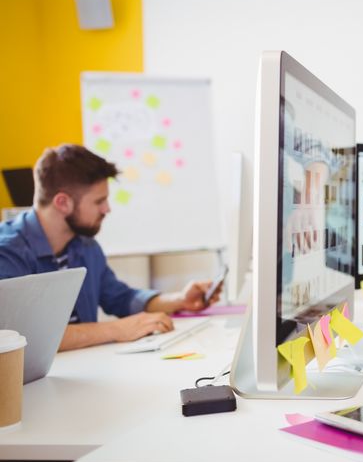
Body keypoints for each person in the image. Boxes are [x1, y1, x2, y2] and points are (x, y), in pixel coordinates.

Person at [0, 145, 222, 351]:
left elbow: (121, 298)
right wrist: (116, 329)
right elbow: (21, 337)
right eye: (99, 201)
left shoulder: (85, 245)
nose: (107, 209)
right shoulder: (7, 253)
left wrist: (179, 300)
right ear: (62, 203)